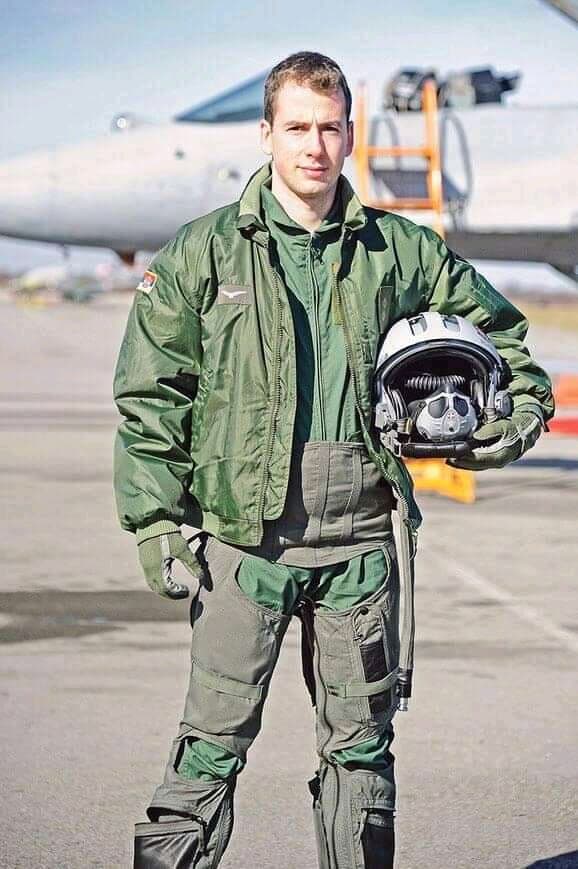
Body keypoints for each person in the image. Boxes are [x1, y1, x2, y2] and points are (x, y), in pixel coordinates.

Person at [113, 52, 554, 869]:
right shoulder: (204, 254)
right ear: (266, 134)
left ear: (349, 134)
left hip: (360, 547)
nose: (313, 146)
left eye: (328, 127)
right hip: (244, 546)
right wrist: (154, 519)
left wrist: (513, 420)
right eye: (297, 128)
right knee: (209, 748)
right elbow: (151, 396)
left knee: (361, 758)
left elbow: (510, 347)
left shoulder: (400, 251)